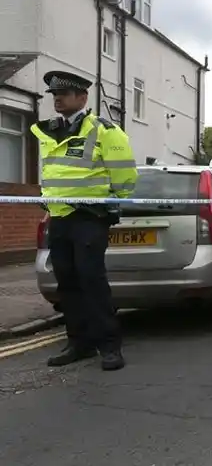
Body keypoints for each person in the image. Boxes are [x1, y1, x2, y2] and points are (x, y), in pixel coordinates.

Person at [31, 70, 138, 371]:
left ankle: (109, 345)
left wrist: (112, 204)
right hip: (60, 216)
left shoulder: (104, 130)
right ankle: (79, 343)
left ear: (82, 97)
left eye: (63, 94)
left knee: (91, 278)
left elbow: (125, 176)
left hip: (90, 216)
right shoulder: (50, 130)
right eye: (54, 95)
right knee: (67, 281)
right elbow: (53, 172)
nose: (58, 99)